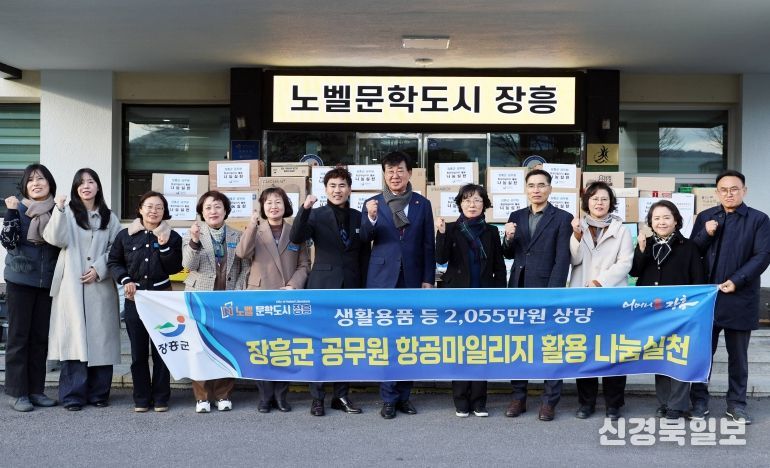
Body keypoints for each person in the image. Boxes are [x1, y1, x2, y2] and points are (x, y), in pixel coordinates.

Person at [689, 170, 770, 425]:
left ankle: (737, 404)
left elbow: (763, 255)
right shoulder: (706, 217)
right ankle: (699, 401)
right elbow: (691, 253)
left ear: (744, 190)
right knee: (702, 354)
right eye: (723, 190)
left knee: (738, 358)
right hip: (708, 298)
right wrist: (706, 234)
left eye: (734, 189)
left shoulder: (759, 219)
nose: (729, 194)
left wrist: (737, 280)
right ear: (717, 192)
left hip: (740, 297)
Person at [360, 151, 435, 419]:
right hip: (382, 280)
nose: (395, 175)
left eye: (400, 170)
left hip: (412, 279)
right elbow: (364, 238)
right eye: (390, 171)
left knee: (409, 339)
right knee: (387, 340)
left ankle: (404, 396)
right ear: (384, 174)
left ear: (409, 173)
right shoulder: (373, 203)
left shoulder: (422, 204)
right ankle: (388, 398)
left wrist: (428, 279)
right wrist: (370, 218)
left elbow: (428, 244)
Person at [290, 166, 368, 416]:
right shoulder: (316, 214)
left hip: (352, 287)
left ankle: (341, 396)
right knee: (320, 342)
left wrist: (365, 287)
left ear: (350, 189)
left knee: (346, 343)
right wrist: (304, 209)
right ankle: (317, 397)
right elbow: (296, 236)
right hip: (323, 286)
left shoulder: (358, 216)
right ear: (325, 189)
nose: (337, 190)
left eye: (342, 185)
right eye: (332, 186)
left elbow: (364, 254)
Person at [42, 168, 122, 411]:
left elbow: (117, 249)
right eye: (81, 182)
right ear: (76, 188)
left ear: (98, 186)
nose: (86, 186)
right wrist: (58, 208)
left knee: (101, 339)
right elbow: (55, 238)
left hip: (100, 285)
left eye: (91, 181)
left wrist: (99, 268)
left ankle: (99, 393)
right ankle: (73, 395)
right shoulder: (67, 213)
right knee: (73, 338)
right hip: (72, 284)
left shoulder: (110, 217)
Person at [501, 168, 572, 421]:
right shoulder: (516, 216)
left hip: (546, 290)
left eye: (541, 185)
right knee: (519, 344)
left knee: (550, 345)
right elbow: (509, 254)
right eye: (531, 185)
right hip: (518, 288)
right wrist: (508, 238)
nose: (536, 190)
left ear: (550, 189)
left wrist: (552, 294)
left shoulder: (563, 218)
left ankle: (549, 401)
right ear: (526, 189)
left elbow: (562, 259)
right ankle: (518, 397)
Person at [235, 186, 309, 413]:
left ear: (285, 206)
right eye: (268, 203)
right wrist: (251, 225)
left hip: (286, 295)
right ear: (262, 207)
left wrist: (294, 285)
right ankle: (265, 396)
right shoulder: (255, 230)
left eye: (278, 202)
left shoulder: (296, 231)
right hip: (260, 294)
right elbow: (242, 253)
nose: (273, 206)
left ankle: (281, 395)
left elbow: (304, 264)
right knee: (262, 347)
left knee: (284, 347)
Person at [630, 200, 706, 420]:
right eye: (656, 218)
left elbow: (698, 280)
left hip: (680, 311)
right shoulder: (645, 243)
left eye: (666, 217)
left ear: (676, 221)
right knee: (660, 356)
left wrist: (693, 309)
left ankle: (677, 405)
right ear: (650, 222)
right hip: (652, 311)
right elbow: (634, 272)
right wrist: (641, 250)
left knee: (678, 356)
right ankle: (664, 402)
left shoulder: (688, 246)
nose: (661, 222)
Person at [108, 191, 183, 413]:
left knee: (162, 351)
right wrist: (125, 280)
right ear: (140, 209)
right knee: (138, 353)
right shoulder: (125, 236)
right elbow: (114, 262)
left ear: (164, 211)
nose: (153, 211)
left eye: (159, 207)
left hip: (162, 300)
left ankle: (161, 398)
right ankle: (141, 398)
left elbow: (175, 268)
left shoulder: (173, 236)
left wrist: (165, 247)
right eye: (149, 206)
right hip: (136, 299)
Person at [435, 184, 506, 418]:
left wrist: (499, 296)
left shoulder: (491, 231)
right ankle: (460, 400)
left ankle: (479, 401)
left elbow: (499, 266)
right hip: (457, 297)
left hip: (484, 296)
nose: (472, 204)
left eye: (476, 200)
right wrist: (441, 234)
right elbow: (440, 258)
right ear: (460, 204)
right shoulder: (451, 228)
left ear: (484, 204)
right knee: (459, 349)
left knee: (480, 349)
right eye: (466, 200)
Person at [568, 181, 633, 421]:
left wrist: (600, 282)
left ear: (611, 203)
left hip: (611, 298)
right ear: (587, 202)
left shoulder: (621, 230)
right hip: (582, 298)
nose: (599, 203)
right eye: (594, 198)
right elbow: (573, 260)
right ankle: (586, 403)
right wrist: (576, 236)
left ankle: (614, 404)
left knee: (613, 351)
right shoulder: (579, 226)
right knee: (585, 350)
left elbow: (625, 263)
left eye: (604, 199)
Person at [182, 190, 250, 414]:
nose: (213, 211)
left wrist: (237, 292)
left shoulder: (237, 235)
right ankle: (201, 396)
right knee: (199, 346)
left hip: (228, 298)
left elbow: (245, 267)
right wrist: (194, 241)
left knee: (225, 346)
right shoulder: (193, 234)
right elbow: (188, 265)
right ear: (202, 212)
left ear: (225, 210)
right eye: (208, 207)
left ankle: (223, 394)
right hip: (200, 297)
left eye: (218, 206)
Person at [1, 164, 60, 412]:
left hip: (47, 282)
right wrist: (10, 213)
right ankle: (18, 393)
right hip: (20, 282)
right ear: (25, 185)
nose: (36, 183)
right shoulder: (18, 208)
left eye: (41, 179)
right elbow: (8, 242)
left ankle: (36, 390)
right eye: (31, 180)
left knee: (39, 338)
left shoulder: (58, 211)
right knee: (18, 338)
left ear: (49, 183)